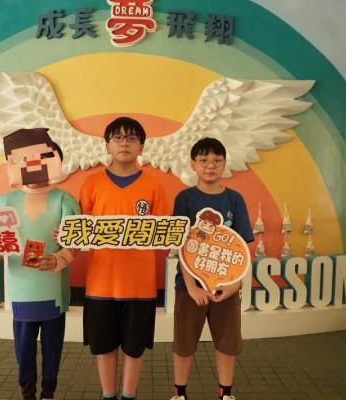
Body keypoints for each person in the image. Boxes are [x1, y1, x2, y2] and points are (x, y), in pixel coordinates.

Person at [0, 128, 80, 400]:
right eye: (26, 159)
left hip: (53, 290)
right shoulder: (3, 203)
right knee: (24, 347)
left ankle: (48, 392)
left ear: (56, 162)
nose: (33, 164)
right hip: (21, 291)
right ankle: (27, 393)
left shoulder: (65, 200)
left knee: (53, 347)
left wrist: (58, 258)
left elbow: (75, 244)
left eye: (42, 157)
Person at [80, 117, 170, 400]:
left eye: (131, 138)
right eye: (117, 138)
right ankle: (108, 395)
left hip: (140, 285)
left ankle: (129, 395)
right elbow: (80, 231)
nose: (124, 143)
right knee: (104, 347)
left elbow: (164, 232)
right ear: (107, 145)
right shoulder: (92, 183)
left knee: (134, 348)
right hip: (100, 284)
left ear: (141, 147)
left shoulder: (153, 185)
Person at [170, 138, 254, 400]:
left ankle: (225, 393)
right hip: (189, 288)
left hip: (226, 287)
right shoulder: (184, 199)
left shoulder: (234, 200)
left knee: (228, 343)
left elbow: (242, 248)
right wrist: (192, 286)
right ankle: (180, 393)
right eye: (204, 160)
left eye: (217, 160)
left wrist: (235, 284)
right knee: (184, 343)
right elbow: (181, 247)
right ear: (193, 164)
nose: (211, 165)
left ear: (224, 164)